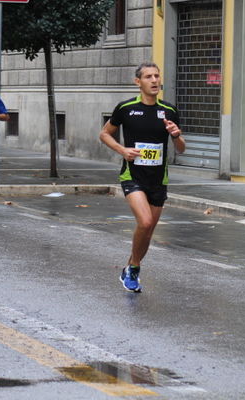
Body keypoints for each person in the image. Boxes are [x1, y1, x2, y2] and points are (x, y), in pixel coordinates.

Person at [99, 62, 185, 292]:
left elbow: (181, 148)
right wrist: (123, 150)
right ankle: (134, 270)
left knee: (148, 230)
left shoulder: (169, 110)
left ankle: (131, 267)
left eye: (157, 76)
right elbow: (104, 133)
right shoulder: (126, 108)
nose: (155, 80)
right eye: (148, 76)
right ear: (138, 82)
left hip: (158, 179)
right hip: (132, 175)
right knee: (145, 222)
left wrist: (176, 136)